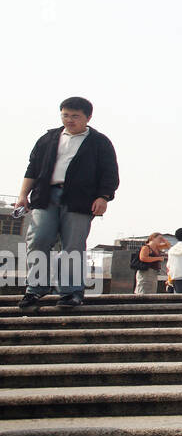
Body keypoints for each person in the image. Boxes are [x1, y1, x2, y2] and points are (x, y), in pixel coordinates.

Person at [16, 96, 120, 310]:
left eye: (75, 116)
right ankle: (35, 289)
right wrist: (22, 196)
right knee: (37, 239)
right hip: (46, 195)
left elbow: (109, 173)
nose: (69, 120)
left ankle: (71, 292)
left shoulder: (99, 142)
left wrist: (104, 197)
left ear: (88, 117)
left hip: (80, 199)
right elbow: (32, 169)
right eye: (65, 115)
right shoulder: (48, 138)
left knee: (72, 246)